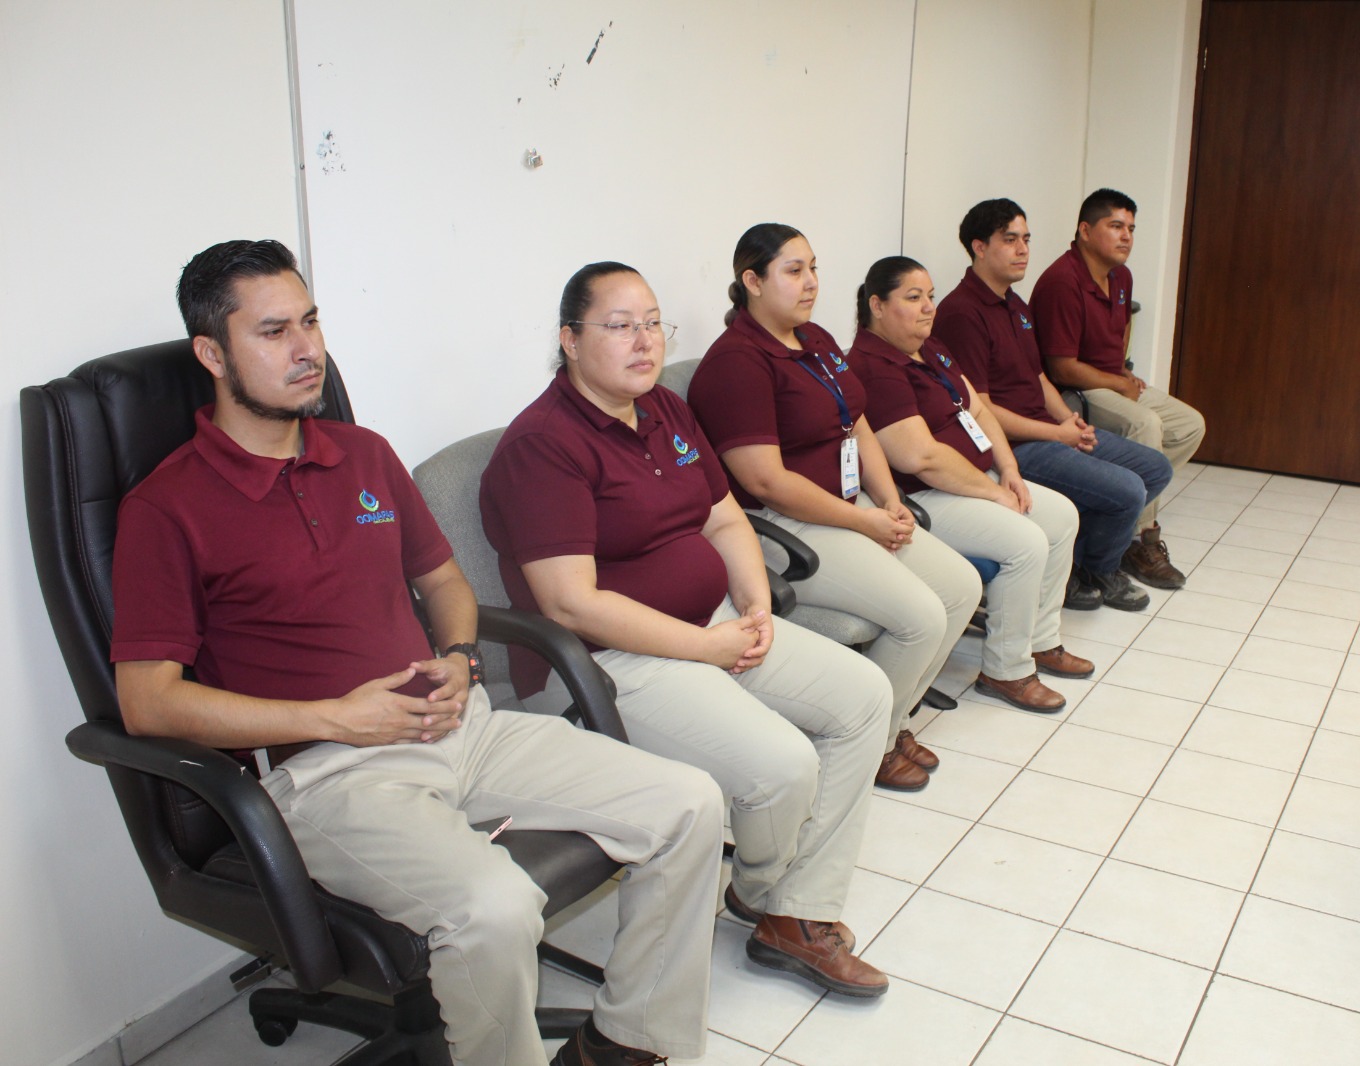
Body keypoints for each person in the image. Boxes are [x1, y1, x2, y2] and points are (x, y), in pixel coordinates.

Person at [110, 240, 725, 1066]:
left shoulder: (361, 453)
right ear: (213, 355)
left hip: (463, 725)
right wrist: (335, 717)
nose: (306, 349)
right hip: (332, 773)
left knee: (689, 804)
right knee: (496, 908)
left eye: (310, 322)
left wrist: (462, 657)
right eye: (274, 332)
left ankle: (622, 1043)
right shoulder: (167, 506)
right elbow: (146, 701)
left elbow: (444, 582)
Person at [480, 261, 893, 999]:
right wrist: (706, 647)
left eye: (652, 324)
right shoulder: (543, 445)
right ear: (569, 340)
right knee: (783, 765)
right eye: (620, 326)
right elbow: (571, 604)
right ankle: (772, 897)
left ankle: (792, 905)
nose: (644, 341)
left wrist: (755, 606)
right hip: (610, 663)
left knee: (865, 696)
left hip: (716, 627)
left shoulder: (664, 409)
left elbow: (725, 519)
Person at [688, 224, 983, 791]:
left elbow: (858, 421)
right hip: (785, 528)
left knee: (961, 586)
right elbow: (766, 482)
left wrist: (889, 501)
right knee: (922, 616)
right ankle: (867, 744)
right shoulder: (737, 363)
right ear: (752, 281)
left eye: (814, 268)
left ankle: (890, 720)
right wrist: (864, 520)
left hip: (853, 508)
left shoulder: (815, 338)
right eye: (794, 270)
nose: (811, 283)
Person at [851, 256, 1094, 712]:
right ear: (877, 306)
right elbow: (920, 457)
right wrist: (994, 493)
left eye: (930, 296)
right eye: (913, 298)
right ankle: (1006, 670)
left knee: (1062, 516)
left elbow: (977, 410)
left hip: (978, 480)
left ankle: (1040, 641)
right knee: (1025, 542)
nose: (928, 307)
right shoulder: (872, 365)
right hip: (925, 497)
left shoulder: (931, 347)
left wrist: (1010, 470)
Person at [933, 199, 1173, 612]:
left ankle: (1077, 563)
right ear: (979, 247)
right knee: (1128, 489)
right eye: (1010, 240)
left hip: (1049, 429)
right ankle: (1097, 570)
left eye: (1026, 239)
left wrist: (1070, 421)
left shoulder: (1016, 305)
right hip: (1015, 447)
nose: (1023, 249)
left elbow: (1039, 377)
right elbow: (981, 409)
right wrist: (1056, 434)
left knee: (1155, 468)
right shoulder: (961, 313)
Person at [1032, 188, 1204, 590]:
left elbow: (1123, 326)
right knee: (1146, 425)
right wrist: (1116, 381)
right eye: (1115, 226)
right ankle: (1138, 538)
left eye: (1131, 228)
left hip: (1112, 380)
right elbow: (1061, 367)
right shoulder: (1062, 281)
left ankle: (1118, 507)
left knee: (1190, 425)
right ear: (1085, 230)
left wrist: (1123, 371)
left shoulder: (1120, 275)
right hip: (1075, 389)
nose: (1126, 236)